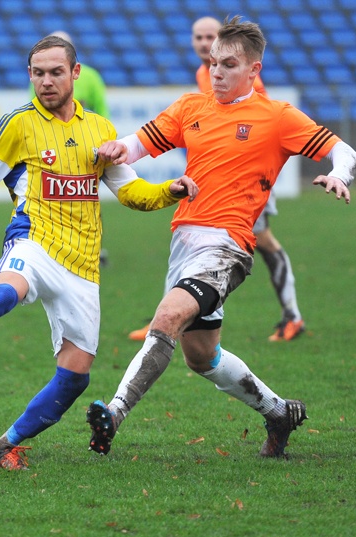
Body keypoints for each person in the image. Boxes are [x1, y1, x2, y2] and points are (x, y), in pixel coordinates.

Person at [0, 35, 197, 470]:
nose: (46, 81)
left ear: (75, 73)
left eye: (55, 72)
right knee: (4, 293)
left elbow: (130, 192)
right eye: (37, 73)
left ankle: (5, 444)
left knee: (75, 378)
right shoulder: (17, 124)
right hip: (33, 240)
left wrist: (171, 189)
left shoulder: (100, 130)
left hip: (83, 265)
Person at [87, 16, 356, 459]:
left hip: (227, 246)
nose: (217, 72)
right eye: (213, 63)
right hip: (183, 243)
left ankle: (114, 414)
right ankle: (278, 412)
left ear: (254, 70)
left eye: (229, 65)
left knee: (167, 318)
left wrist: (338, 173)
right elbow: (136, 144)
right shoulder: (191, 108)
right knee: (200, 356)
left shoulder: (277, 116)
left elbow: (342, 150)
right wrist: (115, 148)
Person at [128, 16, 305, 343]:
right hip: (216, 183)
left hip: (245, 182)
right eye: (199, 37)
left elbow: (257, 124)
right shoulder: (203, 73)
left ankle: (292, 315)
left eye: (210, 36)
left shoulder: (247, 83)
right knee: (201, 244)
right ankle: (169, 317)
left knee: (262, 243)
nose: (204, 42)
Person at [28, 30, 109, 118]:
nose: (47, 82)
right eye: (39, 73)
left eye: (57, 73)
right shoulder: (41, 78)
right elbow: (34, 108)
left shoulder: (91, 76)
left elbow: (101, 108)